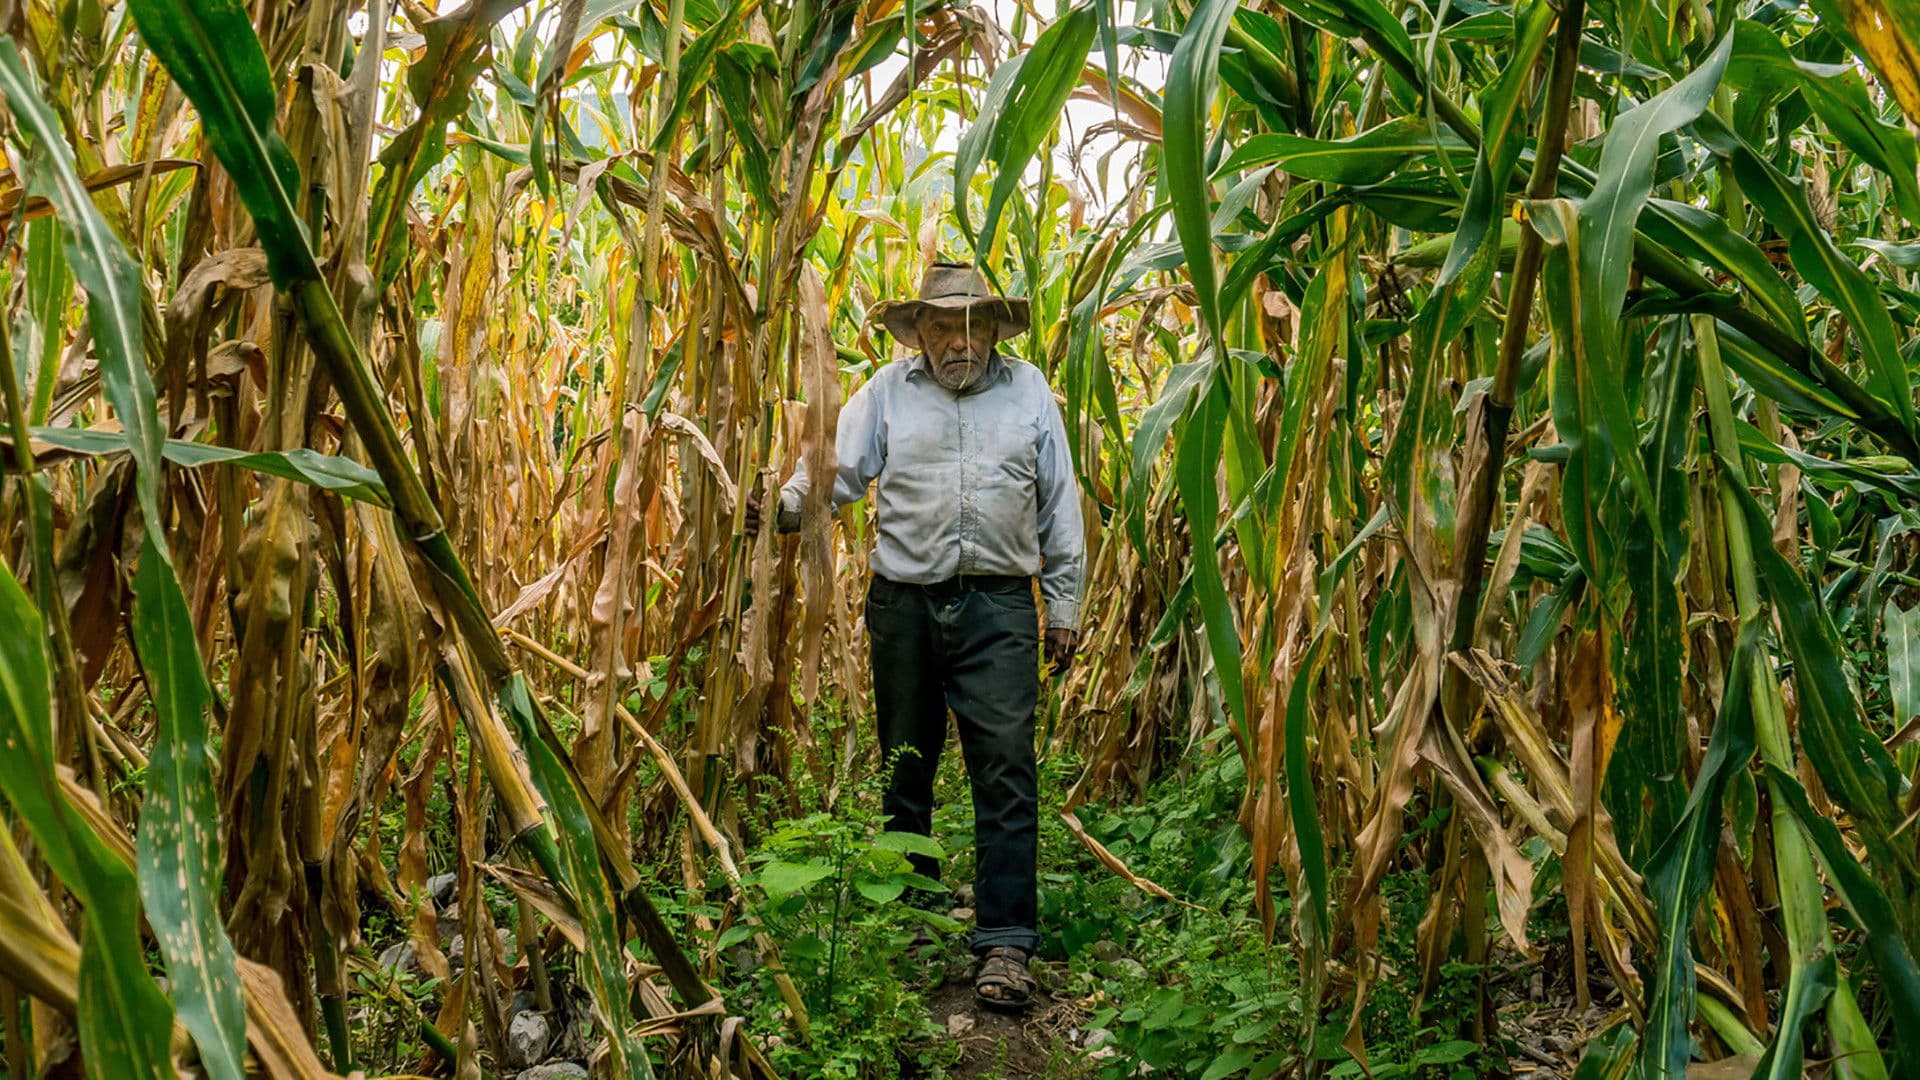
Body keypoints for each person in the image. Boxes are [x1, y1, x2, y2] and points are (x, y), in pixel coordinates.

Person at [747, 261, 1085, 1009]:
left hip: (999, 607)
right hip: (904, 605)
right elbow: (834, 471)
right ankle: (914, 917)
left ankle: (1005, 942)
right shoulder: (886, 395)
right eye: (941, 326)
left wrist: (1061, 609)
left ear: (995, 329)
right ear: (919, 333)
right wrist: (781, 509)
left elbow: (1059, 503)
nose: (957, 341)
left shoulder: (1029, 392)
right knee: (907, 762)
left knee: (1005, 767)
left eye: (971, 326)